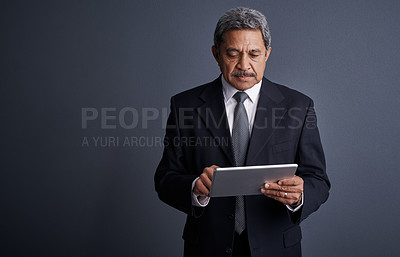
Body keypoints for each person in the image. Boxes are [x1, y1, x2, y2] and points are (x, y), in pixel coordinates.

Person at [154, 7, 330, 257]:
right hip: (207, 247)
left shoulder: (299, 106)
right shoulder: (185, 106)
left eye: (254, 54)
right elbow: (165, 178)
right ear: (216, 54)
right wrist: (195, 187)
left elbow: (318, 180)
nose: (244, 65)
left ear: (267, 54)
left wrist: (299, 196)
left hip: (276, 247)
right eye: (233, 53)